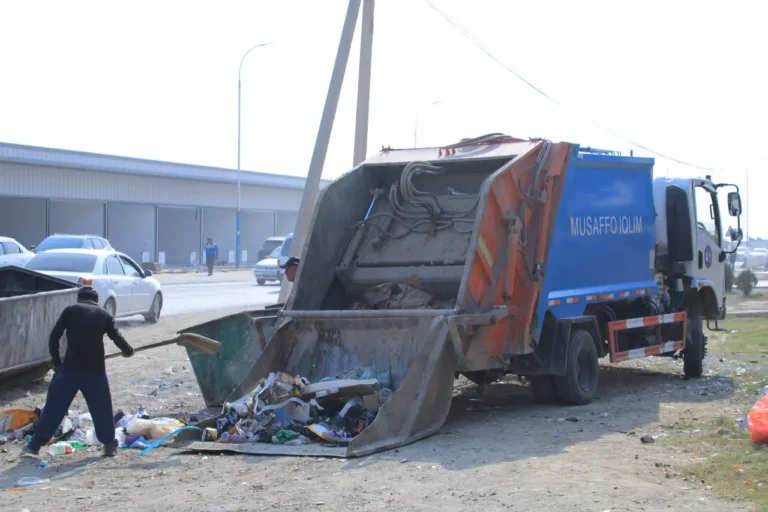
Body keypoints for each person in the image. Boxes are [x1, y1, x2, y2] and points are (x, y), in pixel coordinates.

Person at [22, 286, 134, 458]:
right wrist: (127, 350)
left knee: (54, 407)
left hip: (70, 369)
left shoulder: (71, 310)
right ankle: (109, 445)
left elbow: (54, 336)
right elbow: (116, 336)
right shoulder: (104, 314)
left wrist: (57, 361)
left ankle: (34, 445)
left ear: (79, 298)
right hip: (95, 370)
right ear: (96, 300)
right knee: (101, 408)